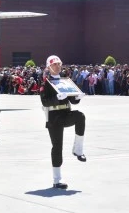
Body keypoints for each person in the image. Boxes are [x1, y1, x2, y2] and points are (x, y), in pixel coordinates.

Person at [40, 55, 86, 190]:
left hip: (66, 113)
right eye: (54, 65)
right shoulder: (46, 83)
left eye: (59, 64)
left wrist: (78, 97)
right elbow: (45, 101)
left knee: (80, 117)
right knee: (57, 146)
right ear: (49, 67)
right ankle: (57, 179)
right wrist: (57, 98)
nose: (57, 66)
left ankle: (78, 150)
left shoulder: (66, 80)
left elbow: (72, 101)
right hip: (54, 117)